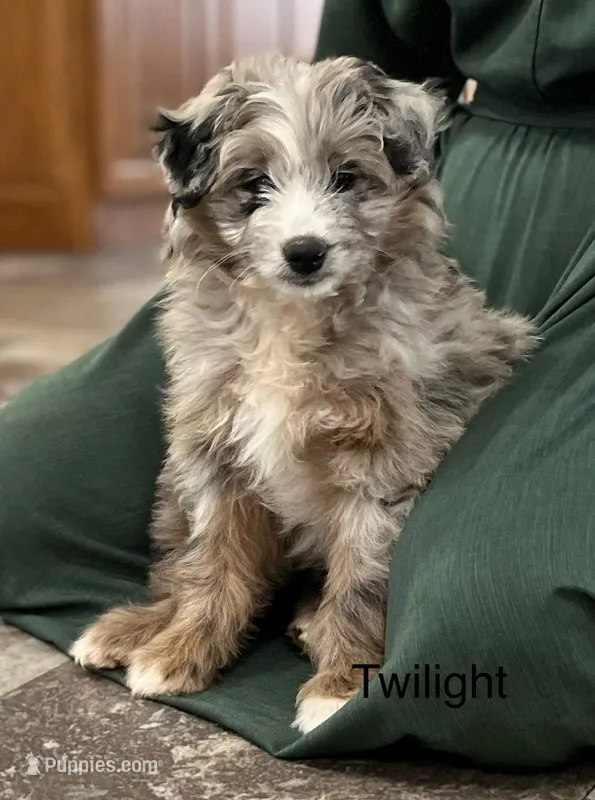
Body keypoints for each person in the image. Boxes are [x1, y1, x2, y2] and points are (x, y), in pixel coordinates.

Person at [1, 0, 595, 767]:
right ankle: (199, 615)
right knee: (37, 488)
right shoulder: (214, 280)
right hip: (268, 284)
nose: (303, 226)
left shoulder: (414, 319)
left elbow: (386, 489)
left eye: (346, 179)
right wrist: (195, 610)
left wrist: (356, 643)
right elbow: (213, 470)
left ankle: (347, 643)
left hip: (509, 246)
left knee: (492, 619)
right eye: (254, 185)